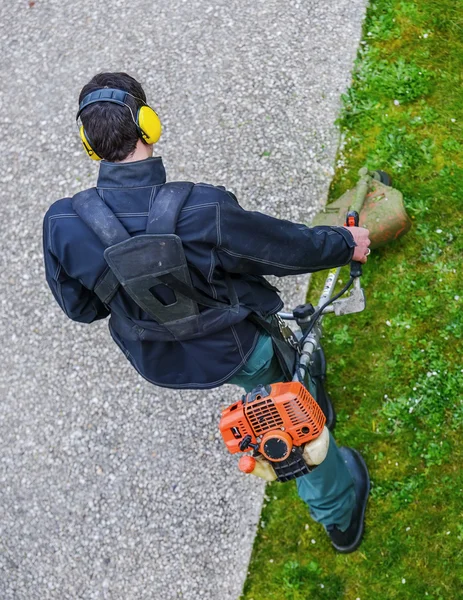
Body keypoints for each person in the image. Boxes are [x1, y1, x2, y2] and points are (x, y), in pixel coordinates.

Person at [43, 72, 371, 553]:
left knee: (281, 383)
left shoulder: (63, 224)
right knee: (291, 425)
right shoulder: (201, 208)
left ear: (88, 145)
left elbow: (81, 308)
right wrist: (344, 244)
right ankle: (340, 513)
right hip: (240, 349)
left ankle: (302, 375)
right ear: (148, 125)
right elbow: (286, 251)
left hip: (159, 359)